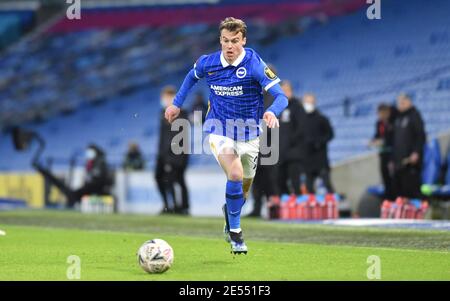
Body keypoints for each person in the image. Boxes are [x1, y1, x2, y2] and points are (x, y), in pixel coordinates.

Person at [164, 17, 288, 254]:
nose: (229, 46)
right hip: (218, 128)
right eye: (225, 41)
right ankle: (236, 234)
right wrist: (176, 104)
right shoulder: (208, 63)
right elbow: (191, 77)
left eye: (234, 41)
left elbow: (281, 96)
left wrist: (272, 111)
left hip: (250, 134)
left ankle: (229, 217)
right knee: (235, 172)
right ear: (220, 40)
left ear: (243, 41)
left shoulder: (255, 65)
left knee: (241, 193)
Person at [248, 64, 281, 218]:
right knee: (256, 177)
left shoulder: (276, 97)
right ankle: (257, 208)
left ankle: (273, 209)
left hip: (271, 143)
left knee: (271, 179)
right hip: (256, 142)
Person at [156, 86, 190, 215]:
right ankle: (169, 205)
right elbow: (163, 138)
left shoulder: (182, 114)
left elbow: (179, 137)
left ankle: (180, 206)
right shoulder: (162, 114)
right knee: (162, 178)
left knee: (177, 180)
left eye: (166, 97)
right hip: (164, 154)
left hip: (177, 154)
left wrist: (174, 156)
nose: (164, 100)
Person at [392, 93, 426, 199]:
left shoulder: (415, 115)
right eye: (399, 103)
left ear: (409, 102)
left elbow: (420, 135)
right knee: (400, 193)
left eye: (403, 102)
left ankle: (417, 213)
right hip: (399, 162)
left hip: (411, 162)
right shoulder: (398, 118)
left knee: (412, 190)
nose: (400, 105)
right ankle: (404, 214)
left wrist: (416, 152)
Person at [302, 93, 334, 194]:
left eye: (310, 102)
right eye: (306, 102)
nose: (308, 104)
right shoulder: (300, 120)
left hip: (321, 158)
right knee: (309, 186)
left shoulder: (322, 119)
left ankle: (332, 203)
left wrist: (319, 142)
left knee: (327, 183)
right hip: (307, 158)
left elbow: (330, 134)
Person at [277, 80, 305, 196]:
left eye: (287, 90)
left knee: (295, 182)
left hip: (294, 152)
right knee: (279, 181)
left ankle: (298, 206)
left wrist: (291, 141)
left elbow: (302, 127)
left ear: (291, 91)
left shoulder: (297, 106)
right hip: (280, 152)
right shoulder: (278, 106)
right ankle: (286, 205)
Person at [68, 144, 112, 208]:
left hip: (99, 186)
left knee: (77, 193)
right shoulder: (91, 162)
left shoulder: (100, 161)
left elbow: (98, 177)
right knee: (77, 192)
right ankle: (78, 205)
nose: (88, 153)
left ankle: (76, 206)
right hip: (92, 185)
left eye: (89, 151)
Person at [369, 103, 394, 200]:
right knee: (384, 176)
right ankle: (387, 199)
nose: (379, 115)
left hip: (391, 155)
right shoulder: (379, 123)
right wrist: (373, 140)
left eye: (381, 113)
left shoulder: (392, 123)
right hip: (383, 154)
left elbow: (392, 138)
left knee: (392, 178)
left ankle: (393, 199)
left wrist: (383, 141)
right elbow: (377, 135)